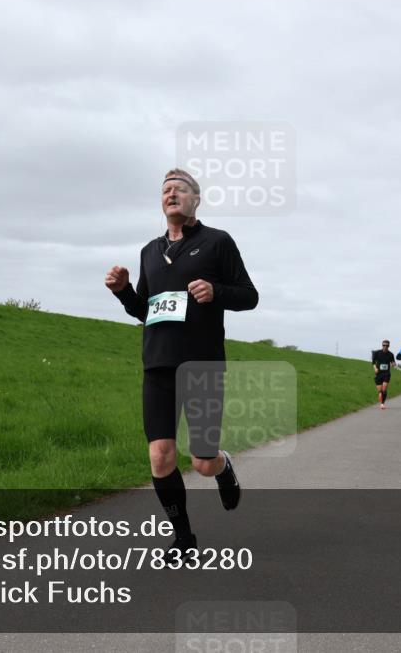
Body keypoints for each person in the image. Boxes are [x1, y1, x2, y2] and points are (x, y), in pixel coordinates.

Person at [105, 168, 258, 560]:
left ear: (196, 199)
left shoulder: (217, 242)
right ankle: (184, 539)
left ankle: (223, 467)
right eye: (165, 191)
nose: (171, 194)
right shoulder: (149, 252)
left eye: (179, 189)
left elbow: (249, 296)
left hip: (202, 365)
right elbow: (146, 310)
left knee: (202, 462)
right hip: (157, 365)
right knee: (160, 455)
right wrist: (124, 292)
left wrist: (215, 291)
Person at [371, 339, 396, 409]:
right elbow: (373, 362)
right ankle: (381, 397)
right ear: (382, 345)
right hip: (379, 373)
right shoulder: (377, 353)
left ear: (389, 346)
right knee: (380, 391)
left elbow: (393, 362)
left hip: (386, 373)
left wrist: (393, 364)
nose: (385, 346)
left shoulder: (391, 354)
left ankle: (382, 403)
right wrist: (375, 368)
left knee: (384, 389)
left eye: (386, 345)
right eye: (384, 345)